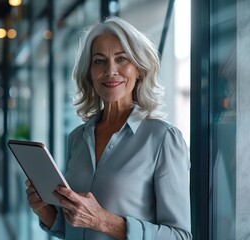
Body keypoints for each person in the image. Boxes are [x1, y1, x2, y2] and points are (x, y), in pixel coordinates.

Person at [25, 16, 192, 240]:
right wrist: (44, 211)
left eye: (121, 59)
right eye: (99, 61)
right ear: (90, 73)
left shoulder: (163, 139)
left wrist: (102, 221)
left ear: (139, 69)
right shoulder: (77, 138)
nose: (110, 70)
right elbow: (74, 227)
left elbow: (180, 236)